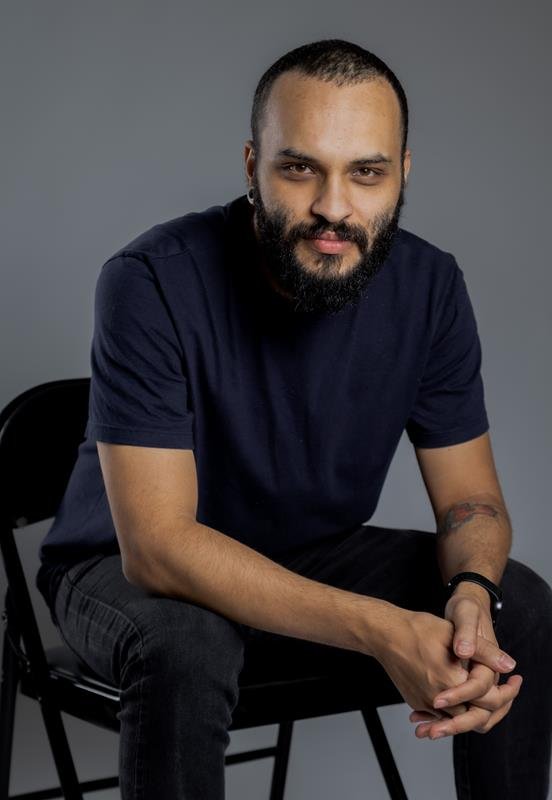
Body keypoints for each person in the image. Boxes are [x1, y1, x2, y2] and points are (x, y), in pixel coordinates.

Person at [36, 38, 552, 799]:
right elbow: (159, 549)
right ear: (253, 167)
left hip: (308, 555)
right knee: (187, 645)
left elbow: (469, 500)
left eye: (366, 172)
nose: (333, 208)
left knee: (519, 604)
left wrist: (472, 594)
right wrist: (380, 628)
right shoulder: (149, 281)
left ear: (403, 173)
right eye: (300, 168)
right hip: (121, 568)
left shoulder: (431, 286)